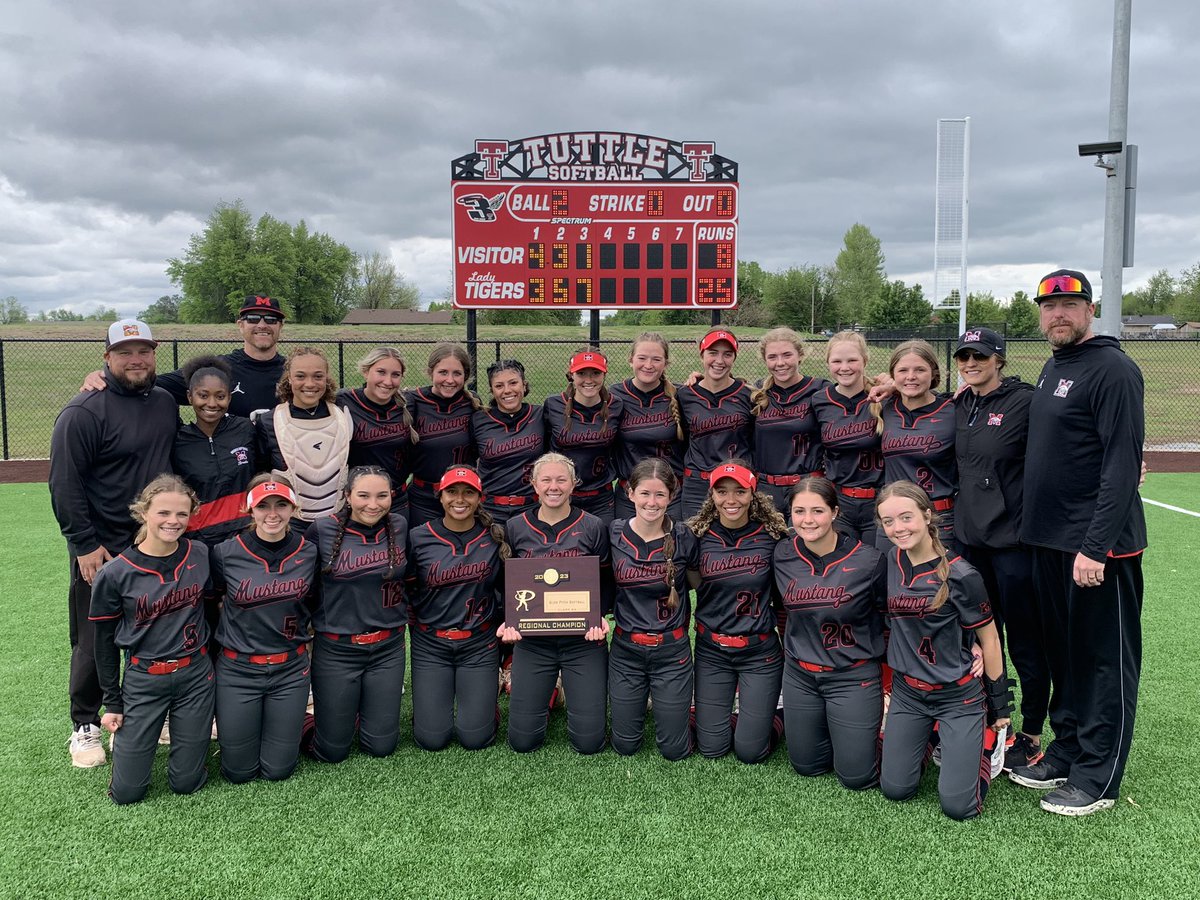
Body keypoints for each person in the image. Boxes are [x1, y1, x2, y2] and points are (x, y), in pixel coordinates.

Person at [1008, 269, 1147, 817]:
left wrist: (1096, 547)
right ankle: (1067, 749)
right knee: (1063, 656)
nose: (1057, 315)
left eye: (1069, 305)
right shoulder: (1053, 365)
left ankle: (1098, 778)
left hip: (1096, 549)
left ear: (1090, 309)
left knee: (1101, 663)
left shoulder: (1114, 369)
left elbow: (1120, 465)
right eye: (1049, 307)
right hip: (1048, 540)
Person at [50, 318, 179, 768]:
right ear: (106, 358)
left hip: (151, 541)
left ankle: (150, 713)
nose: (136, 359)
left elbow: (212, 380)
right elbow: (64, 484)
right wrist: (84, 544)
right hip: (101, 547)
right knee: (94, 636)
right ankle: (84, 724)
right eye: (125, 352)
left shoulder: (164, 399)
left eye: (144, 350)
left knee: (154, 629)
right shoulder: (83, 411)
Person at [876, 481, 1012, 821]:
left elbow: (991, 640)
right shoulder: (890, 561)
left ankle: (983, 745)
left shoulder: (961, 574)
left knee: (958, 807)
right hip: (909, 694)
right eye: (888, 521)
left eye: (905, 518)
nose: (897, 528)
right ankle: (929, 740)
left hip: (957, 696)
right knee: (896, 789)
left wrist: (999, 707)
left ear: (926, 515)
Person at [952, 326, 1050, 773]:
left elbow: (1065, 444)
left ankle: (1031, 732)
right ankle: (992, 720)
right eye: (964, 357)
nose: (971, 364)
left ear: (999, 359)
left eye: (980, 356)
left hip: (1013, 544)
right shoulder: (961, 403)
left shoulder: (1025, 402)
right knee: (979, 638)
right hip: (971, 544)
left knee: (1026, 641)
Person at [89, 475, 214, 804]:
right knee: (128, 793)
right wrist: (112, 702)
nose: (173, 521)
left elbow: (214, 607)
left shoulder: (199, 553)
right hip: (145, 678)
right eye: (163, 513)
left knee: (187, 782)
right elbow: (102, 644)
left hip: (195, 675)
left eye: (182, 514)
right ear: (144, 512)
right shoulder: (114, 573)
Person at [773, 477, 887, 789]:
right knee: (807, 766)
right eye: (799, 512)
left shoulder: (870, 560)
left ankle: (913, 739)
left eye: (817, 511)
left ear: (835, 512)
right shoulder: (781, 554)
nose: (807, 520)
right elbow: (779, 609)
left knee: (856, 777)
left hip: (852, 676)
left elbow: (892, 618)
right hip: (801, 676)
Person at [211, 475, 320, 783]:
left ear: (293, 507)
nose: (272, 513)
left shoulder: (309, 551)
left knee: (278, 770)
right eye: (263, 506)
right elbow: (212, 603)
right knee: (238, 772)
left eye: (281, 504)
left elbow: (314, 603)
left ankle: (299, 723)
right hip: (239, 670)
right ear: (250, 509)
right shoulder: (224, 553)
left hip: (290, 669)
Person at [501, 453, 611, 754]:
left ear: (573, 485)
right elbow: (506, 583)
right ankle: (554, 691)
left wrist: (600, 616)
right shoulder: (514, 527)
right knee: (523, 743)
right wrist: (508, 619)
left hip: (582, 642)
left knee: (589, 743)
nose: (553, 486)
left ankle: (564, 690)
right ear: (534, 484)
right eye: (546, 479)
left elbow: (606, 581)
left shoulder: (593, 526)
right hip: (534, 643)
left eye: (561, 479)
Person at [305, 466, 409, 762]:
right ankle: (305, 720)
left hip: (387, 648)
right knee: (332, 752)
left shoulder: (399, 526)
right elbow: (305, 587)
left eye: (382, 496)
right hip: (337, 649)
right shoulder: (322, 530)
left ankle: (364, 713)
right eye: (363, 495)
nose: (373, 504)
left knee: (381, 747)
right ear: (348, 496)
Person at [688, 461, 788, 763]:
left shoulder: (774, 538)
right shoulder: (696, 537)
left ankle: (777, 711)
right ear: (712, 495)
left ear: (753, 493)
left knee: (750, 752)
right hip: (712, 650)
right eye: (722, 492)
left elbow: (785, 601)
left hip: (759, 651)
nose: (730, 500)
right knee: (712, 748)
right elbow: (686, 584)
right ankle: (719, 716)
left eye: (739, 492)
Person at [407, 465, 507, 751]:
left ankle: (485, 709)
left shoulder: (495, 537)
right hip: (431, 644)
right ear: (440, 496)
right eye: (452, 492)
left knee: (475, 738)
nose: (459, 499)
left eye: (468, 492)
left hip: (479, 643)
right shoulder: (418, 537)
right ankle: (431, 711)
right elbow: (408, 590)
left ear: (479, 498)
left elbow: (511, 592)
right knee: (431, 740)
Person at [609, 458, 699, 760]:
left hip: (671, 651)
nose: (652, 501)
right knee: (625, 746)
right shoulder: (613, 533)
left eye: (660, 494)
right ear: (630, 493)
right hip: (625, 650)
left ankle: (689, 707)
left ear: (671, 497)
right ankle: (651, 700)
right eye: (645, 493)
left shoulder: (685, 536)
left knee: (674, 750)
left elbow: (701, 582)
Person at [81, 294, 287, 419]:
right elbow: (145, 384)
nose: (262, 325)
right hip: (234, 474)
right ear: (240, 325)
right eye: (252, 318)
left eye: (271, 319)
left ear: (280, 326)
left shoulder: (296, 374)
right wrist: (104, 376)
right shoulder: (217, 369)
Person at [257, 346, 353, 522]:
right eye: (300, 376)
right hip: (290, 523)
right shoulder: (269, 421)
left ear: (326, 378)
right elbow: (260, 476)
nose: (310, 384)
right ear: (289, 379)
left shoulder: (343, 416)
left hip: (336, 519)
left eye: (318, 376)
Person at [879, 340, 958, 549]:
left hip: (938, 516)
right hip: (893, 517)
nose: (911, 376)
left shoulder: (954, 409)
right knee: (889, 579)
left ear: (933, 373)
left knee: (938, 580)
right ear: (893, 375)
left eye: (920, 370)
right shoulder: (884, 407)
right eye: (903, 370)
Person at [171, 355, 257, 547]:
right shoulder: (178, 441)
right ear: (189, 397)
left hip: (246, 537)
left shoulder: (245, 430)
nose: (212, 403)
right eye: (203, 395)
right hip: (199, 541)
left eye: (220, 396)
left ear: (229, 397)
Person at [810, 331, 884, 548]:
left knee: (878, 562)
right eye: (837, 361)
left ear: (865, 360)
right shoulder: (819, 400)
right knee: (845, 565)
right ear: (828, 363)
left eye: (852, 360)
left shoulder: (883, 398)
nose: (845, 367)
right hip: (840, 500)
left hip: (879, 499)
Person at [677, 328, 754, 518]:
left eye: (727, 354)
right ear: (702, 354)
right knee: (692, 541)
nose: (719, 361)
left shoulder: (749, 395)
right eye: (713, 353)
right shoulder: (684, 395)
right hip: (697, 484)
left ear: (734, 357)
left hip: (736, 483)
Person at [609, 332, 685, 522]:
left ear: (666, 363)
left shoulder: (681, 395)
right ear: (631, 360)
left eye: (656, 359)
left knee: (673, 548)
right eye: (642, 358)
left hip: (671, 494)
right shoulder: (614, 395)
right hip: (630, 494)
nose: (648, 365)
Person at [750, 327, 828, 513]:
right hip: (766, 488)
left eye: (787, 355)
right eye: (772, 357)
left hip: (807, 486)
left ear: (800, 355)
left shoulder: (820, 390)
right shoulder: (757, 392)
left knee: (802, 541)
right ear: (765, 360)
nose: (780, 363)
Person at [337, 347, 419, 523]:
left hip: (397, 499)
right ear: (366, 372)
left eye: (395, 375)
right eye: (381, 372)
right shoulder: (343, 401)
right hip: (358, 503)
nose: (388, 381)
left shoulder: (408, 403)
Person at [544, 348, 623, 524]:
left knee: (602, 547)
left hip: (601, 497)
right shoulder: (553, 405)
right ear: (571, 374)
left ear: (604, 374)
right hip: (563, 496)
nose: (589, 380)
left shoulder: (616, 405)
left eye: (595, 373)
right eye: (581, 373)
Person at [406, 344, 481, 526]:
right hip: (423, 498)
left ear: (466, 376)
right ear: (431, 372)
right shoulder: (412, 400)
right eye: (443, 372)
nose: (450, 380)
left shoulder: (472, 402)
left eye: (457, 373)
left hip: (462, 496)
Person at [472, 359, 546, 525]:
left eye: (513, 383)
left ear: (524, 385)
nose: (507, 390)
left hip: (532, 507)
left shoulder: (540, 415)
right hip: (490, 508)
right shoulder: (479, 419)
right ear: (492, 390)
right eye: (499, 386)